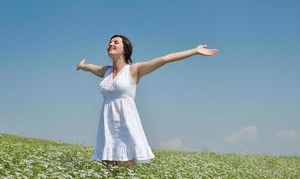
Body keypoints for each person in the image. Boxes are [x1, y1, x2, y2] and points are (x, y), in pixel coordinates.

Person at [76, 35, 218, 170]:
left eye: (115, 42)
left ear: (125, 49)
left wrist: (194, 51)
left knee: (127, 164)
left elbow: (165, 59)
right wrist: (82, 66)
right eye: (110, 42)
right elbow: (91, 67)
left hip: (126, 123)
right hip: (107, 125)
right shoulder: (105, 71)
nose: (110, 44)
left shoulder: (133, 70)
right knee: (107, 165)